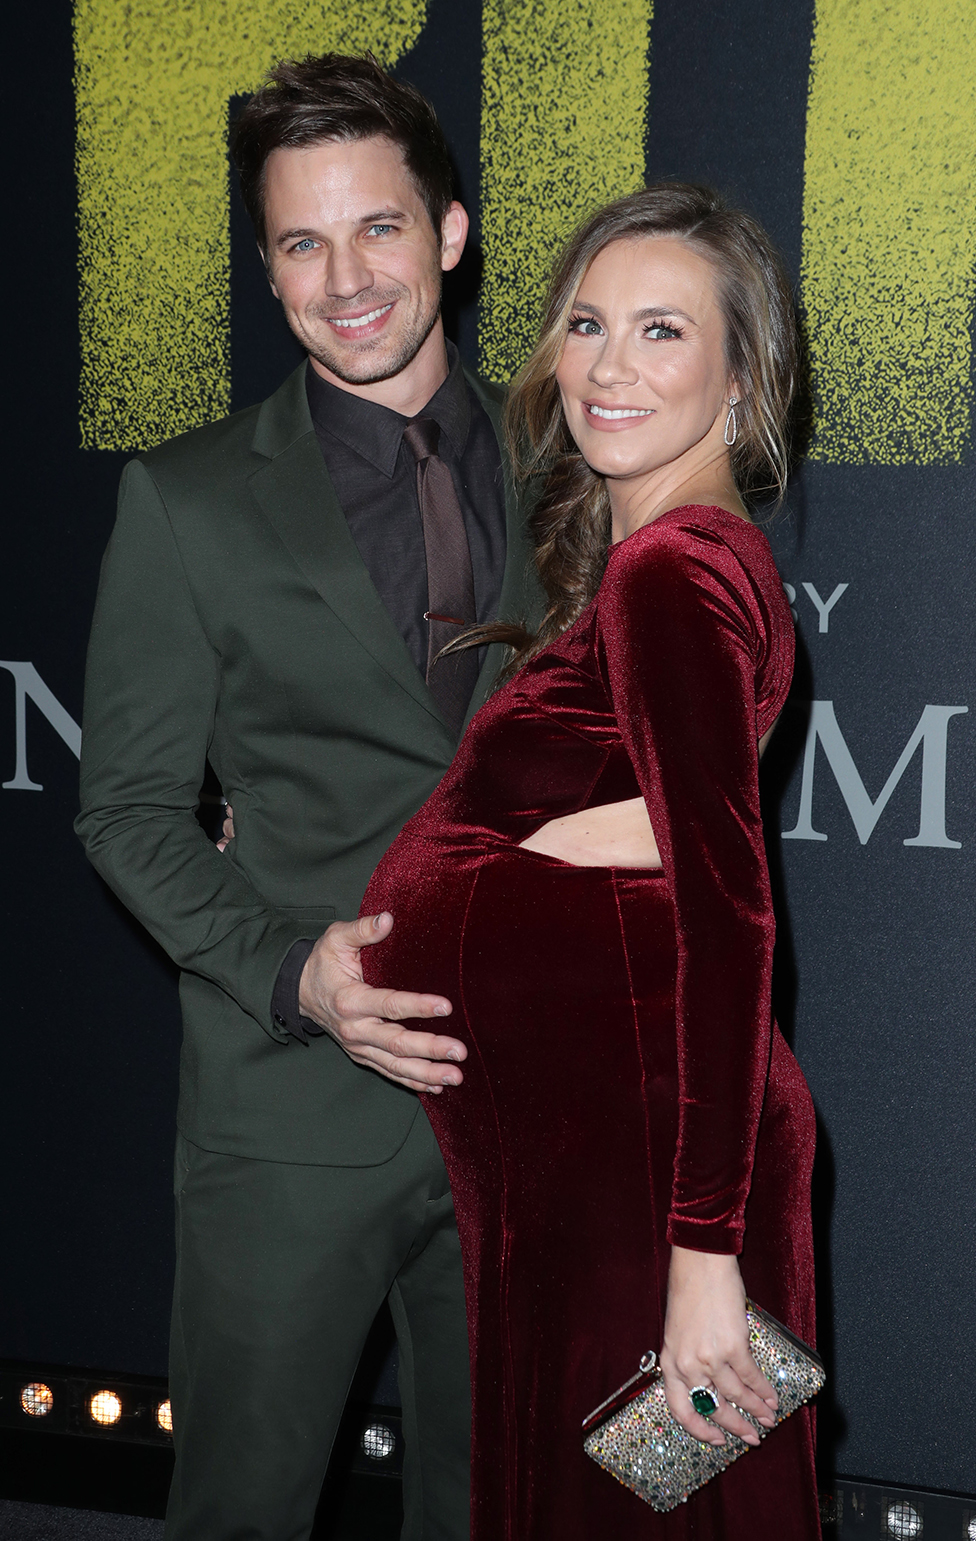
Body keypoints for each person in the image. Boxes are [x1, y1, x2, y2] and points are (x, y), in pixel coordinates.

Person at [75, 53, 539, 1541]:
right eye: (299, 241)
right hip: (285, 1123)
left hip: (524, 1114)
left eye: (379, 228)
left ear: (450, 233)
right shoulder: (189, 499)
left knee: (497, 1510)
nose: (346, 278)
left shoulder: (579, 473)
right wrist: (296, 970)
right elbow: (128, 811)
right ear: (267, 267)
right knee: (243, 1513)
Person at [361, 182, 821, 1539]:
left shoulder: (672, 577)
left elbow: (729, 917)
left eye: (663, 331)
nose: (610, 364)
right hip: (598, 1156)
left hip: (653, 1175)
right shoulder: (668, 566)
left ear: (742, 388)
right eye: (586, 322)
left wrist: (700, 1250)